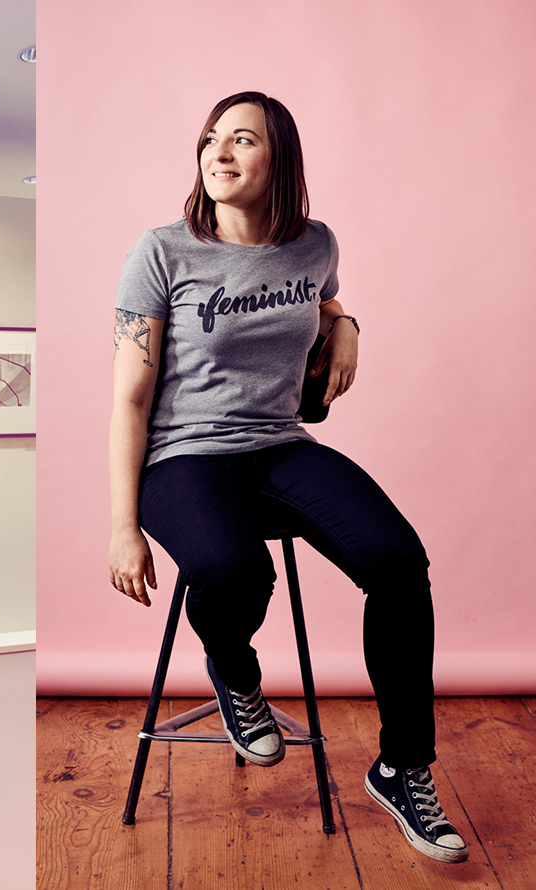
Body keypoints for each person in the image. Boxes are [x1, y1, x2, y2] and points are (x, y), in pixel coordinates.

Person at [107, 91, 467, 864]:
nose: (220, 153)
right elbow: (130, 397)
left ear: (281, 160)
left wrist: (348, 327)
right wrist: (121, 526)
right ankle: (235, 675)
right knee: (236, 569)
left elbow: (326, 298)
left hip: (277, 443)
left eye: (243, 140)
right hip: (183, 453)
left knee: (400, 564)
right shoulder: (162, 252)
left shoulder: (314, 244)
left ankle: (403, 766)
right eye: (210, 139)